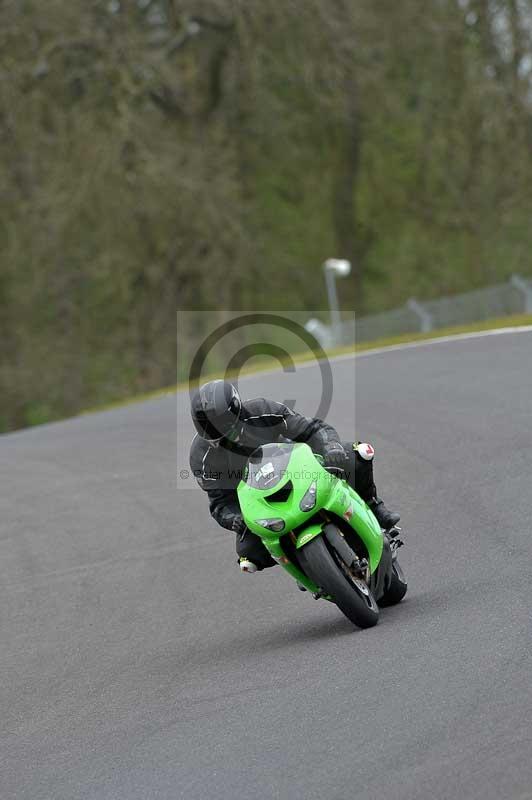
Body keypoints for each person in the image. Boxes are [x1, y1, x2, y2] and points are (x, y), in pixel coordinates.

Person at [189, 380, 400, 573]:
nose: (224, 439)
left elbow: (312, 429)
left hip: (299, 469)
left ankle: (373, 505)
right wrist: (235, 519)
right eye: (214, 434)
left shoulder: (262, 411)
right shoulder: (201, 458)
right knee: (249, 555)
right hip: (260, 501)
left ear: (238, 411)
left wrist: (331, 446)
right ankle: (305, 567)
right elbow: (220, 503)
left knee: (357, 455)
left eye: (226, 429)